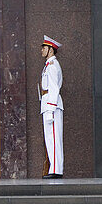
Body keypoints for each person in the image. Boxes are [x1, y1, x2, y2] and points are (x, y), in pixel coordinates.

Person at [39, 36, 63, 178]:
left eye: (44, 48)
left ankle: (56, 170)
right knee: (50, 138)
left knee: (53, 138)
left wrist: (50, 110)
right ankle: (54, 168)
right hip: (47, 103)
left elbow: (54, 88)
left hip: (51, 106)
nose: (42, 50)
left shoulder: (53, 66)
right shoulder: (48, 65)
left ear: (51, 50)